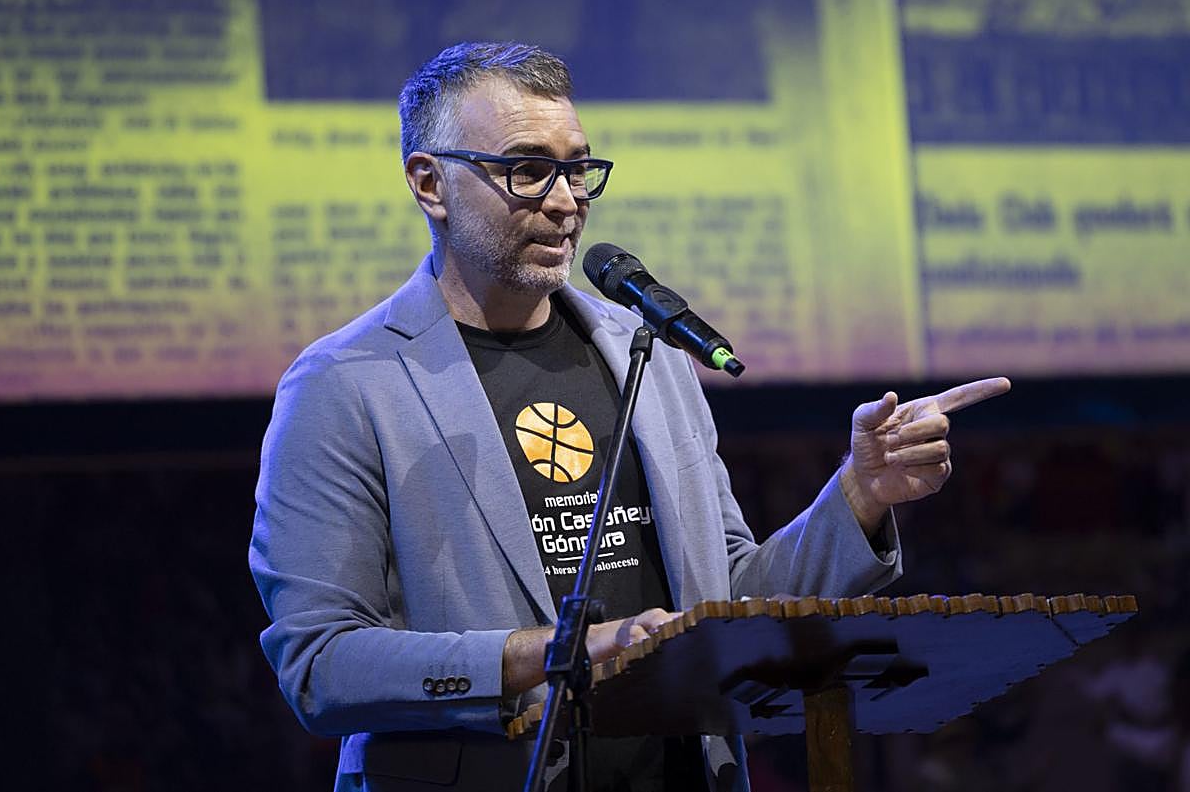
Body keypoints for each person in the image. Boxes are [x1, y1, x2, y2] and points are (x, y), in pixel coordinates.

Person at [249, 41, 1010, 792]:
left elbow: (728, 600)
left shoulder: (646, 355)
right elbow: (321, 664)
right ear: (430, 184)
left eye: (578, 169)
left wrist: (860, 494)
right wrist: (557, 652)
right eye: (526, 169)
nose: (565, 201)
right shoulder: (345, 385)